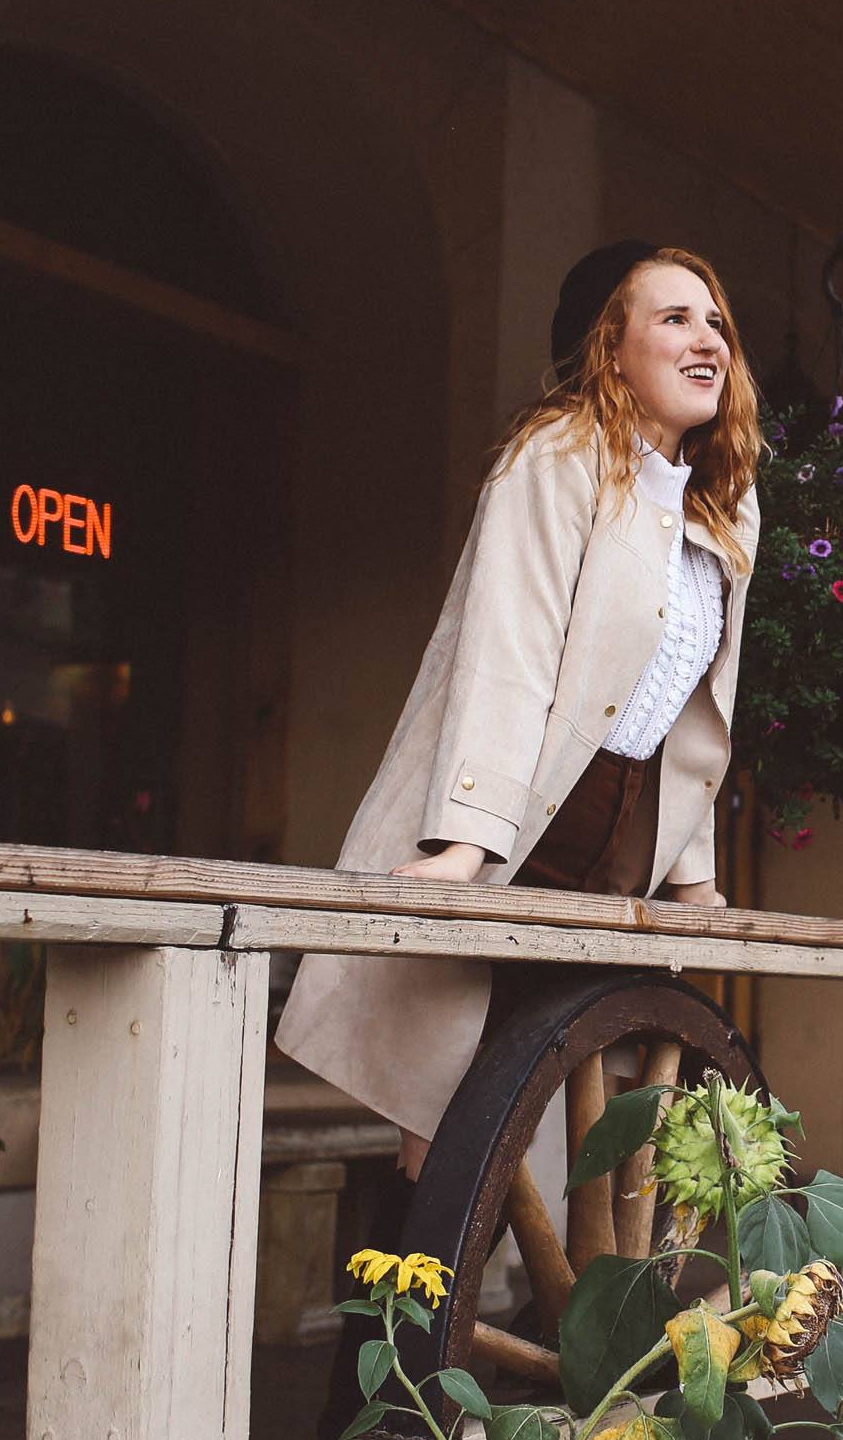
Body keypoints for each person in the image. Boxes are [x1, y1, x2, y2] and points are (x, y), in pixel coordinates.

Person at [276, 241, 760, 1171]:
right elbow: (509, 657)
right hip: (519, 825)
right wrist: (464, 843)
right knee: (449, 1126)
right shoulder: (561, 458)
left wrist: (693, 874)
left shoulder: (724, 511)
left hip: (621, 846)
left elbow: (693, 714)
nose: (708, 339)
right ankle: (401, 1319)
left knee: (553, 1125)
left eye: (716, 323)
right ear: (609, 349)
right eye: (674, 318)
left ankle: (499, 1310)